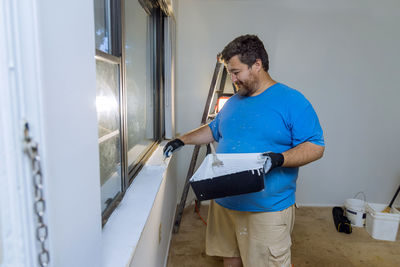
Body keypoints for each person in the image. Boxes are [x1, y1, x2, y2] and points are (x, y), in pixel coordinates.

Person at [164, 34, 325, 267]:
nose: (233, 78)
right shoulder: (234, 102)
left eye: (236, 72)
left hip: (265, 210)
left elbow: (315, 146)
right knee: (230, 259)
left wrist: (280, 159)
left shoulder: (292, 101)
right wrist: (182, 140)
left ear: (257, 65)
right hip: (224, 203)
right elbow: (214, 129)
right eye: (230, 72)